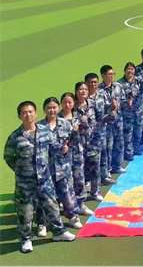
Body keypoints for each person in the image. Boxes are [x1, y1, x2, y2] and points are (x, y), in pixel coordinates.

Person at [4, 101, 76, 253]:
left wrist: (62, 149)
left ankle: (58, 232)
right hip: (25, 182)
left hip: (44, 178)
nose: (28, 115)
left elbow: (53, 147)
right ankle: (25, 239)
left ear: (36, 113)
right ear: (19, 116)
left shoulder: (44, 131)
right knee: (26, 211)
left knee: (52, 206)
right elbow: (8, 157)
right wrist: (20, 170)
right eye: (24, 112)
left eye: (30, 111)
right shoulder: (15, 137)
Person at [37, 97, 82, 230]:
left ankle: (73, 217)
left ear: (58, 108)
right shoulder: (39, 127)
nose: (52, 110)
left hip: (63, 167)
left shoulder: (66, 124)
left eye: (54, 107)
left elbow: (74, 142)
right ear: (44, 109)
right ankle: (43, 222)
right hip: (46, 169)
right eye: (49, 108)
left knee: (67, 194)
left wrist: (75, 133)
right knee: (45, 197)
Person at [58, 93, 93, 217]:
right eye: (65, 102)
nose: (67, 105)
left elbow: (87, 131)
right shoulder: (57, 119)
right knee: (64, 181)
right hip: (63, 154)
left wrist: (83, 124)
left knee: (79, 178)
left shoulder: (78, 116)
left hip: (77, 151)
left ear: (74, 103)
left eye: (70, 102)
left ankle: (80, 204)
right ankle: (66, 206)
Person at [74, 81, 103, 202]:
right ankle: (80, 196)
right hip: (78, 145)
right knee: (79, 173)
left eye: (85, 89)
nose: (84, 91)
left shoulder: (92, 103)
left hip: (93, 142)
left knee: (95, 170)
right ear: (76, 92)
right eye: (81, 89)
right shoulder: (72, 106)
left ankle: (95, 192)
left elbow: (100, 119)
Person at [85, 73, 115, 186]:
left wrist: (113, 108)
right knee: (89, 157)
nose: (92, 84)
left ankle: (104, 175)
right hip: (88, 134)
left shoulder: (102, 94)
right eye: (90, 82)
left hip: (101, 130)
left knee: (103, 153)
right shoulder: (83, 97)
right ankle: (88, 180)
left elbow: (108, 108)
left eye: (95, 82)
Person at [98, 65, 126, 175]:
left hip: (118, 120)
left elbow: (122, 99)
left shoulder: (117, 86)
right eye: (109, 74)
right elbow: (99, 108)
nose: (111, 76)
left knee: (119, 143)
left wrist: (120, 104)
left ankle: (117, 165)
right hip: (107, 123)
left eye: (112, 74)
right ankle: (108, 169)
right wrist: (110, 106)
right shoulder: (99, 90)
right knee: (108, 147)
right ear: (103, 75)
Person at [118, 63, 143, 157]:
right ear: (125, 70)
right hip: (127, 113)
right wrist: (127, 100)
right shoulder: (119, 83)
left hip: (139, 111)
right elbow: (119, 98)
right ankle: (128, 152)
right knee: (128, 133)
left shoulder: (139, 80)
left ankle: (136, 148)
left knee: (138, 131)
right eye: (128, 69)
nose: (130, 71)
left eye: (132, 69)